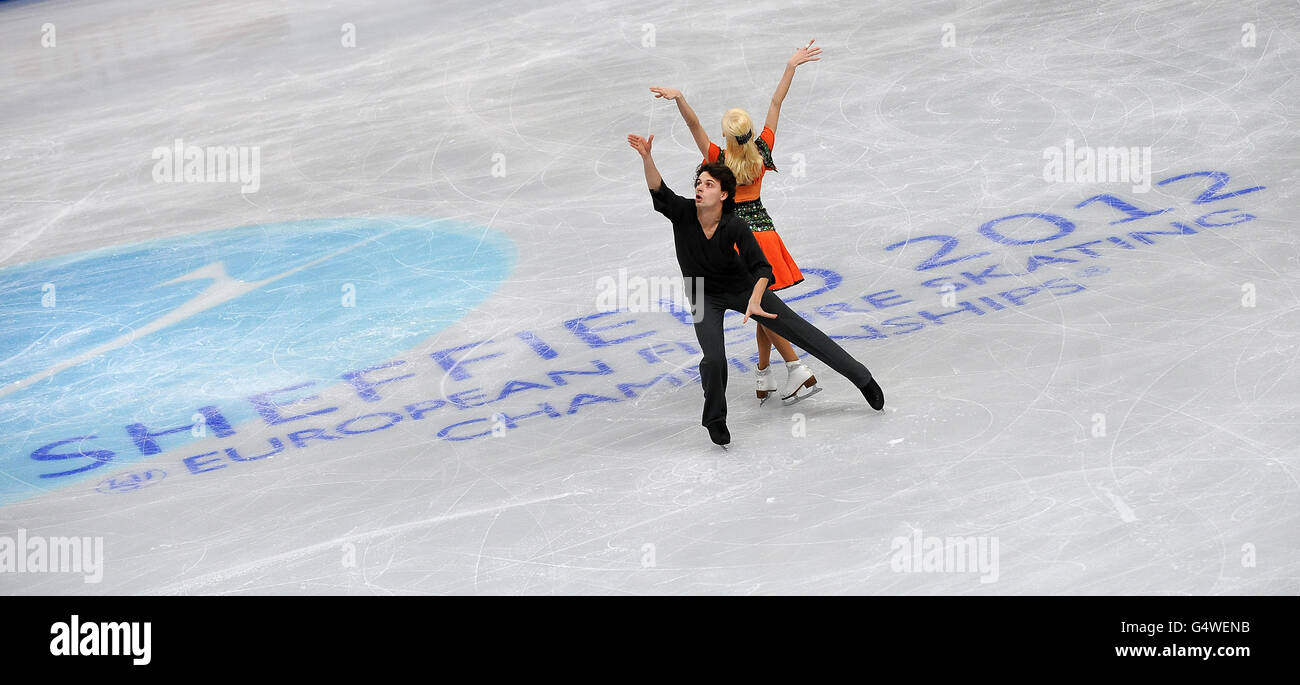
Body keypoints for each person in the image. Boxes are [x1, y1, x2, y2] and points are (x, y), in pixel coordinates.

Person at [626, 132, 884, 446]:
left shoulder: (735, 225)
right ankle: (715, 420)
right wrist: (647, 157)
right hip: (702, 293)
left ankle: (862, 378)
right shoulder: (682, 214)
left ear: (722, 195)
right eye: (699, 182)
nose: (700, 187)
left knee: (800, 330)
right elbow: (658, 189)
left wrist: (756, 299)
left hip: (743, 287)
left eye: (708, 184)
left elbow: (763, 268)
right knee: (714, 360)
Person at [650, 39, 821, 405]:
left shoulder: (717, 160)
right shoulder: (762, 151)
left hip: (739, 244)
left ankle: (796, 368)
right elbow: (776, 103)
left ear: (727, 136)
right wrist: (790, 65)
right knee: (764, 309)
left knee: (763, 308)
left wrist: (679, 97)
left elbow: (693, 124)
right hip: (768, 235)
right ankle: (765, 373)